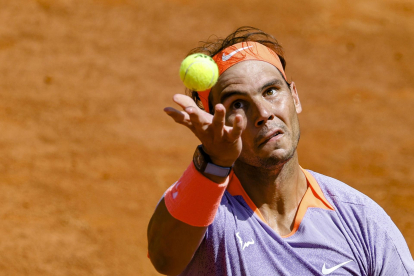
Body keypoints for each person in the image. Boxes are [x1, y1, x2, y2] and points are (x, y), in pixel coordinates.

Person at [147, 26, 414, 275]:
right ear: (216, 121)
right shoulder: (202, 212)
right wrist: (214, 163)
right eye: (238, 104)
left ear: (294, 96)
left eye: (271, 91)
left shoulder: (359, 219)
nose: (263, 113)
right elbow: (165, 259)